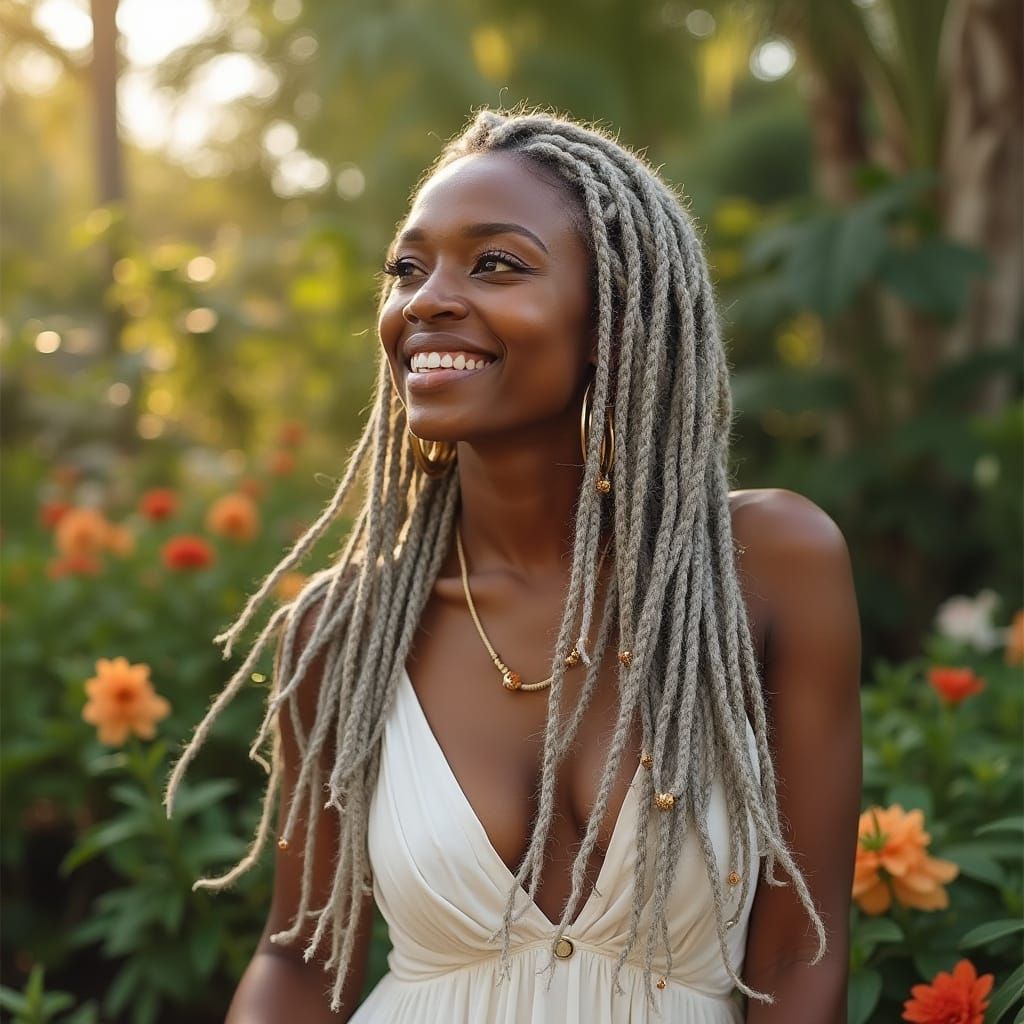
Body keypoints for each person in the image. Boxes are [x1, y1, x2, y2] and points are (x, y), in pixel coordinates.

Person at [166, 107, 862, 1023]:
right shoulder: (345, 632)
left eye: (495, 263)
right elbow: (300, 958)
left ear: (617, 313)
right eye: (408, 269)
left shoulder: (766, 568)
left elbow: (799, 947)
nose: (425, 300)